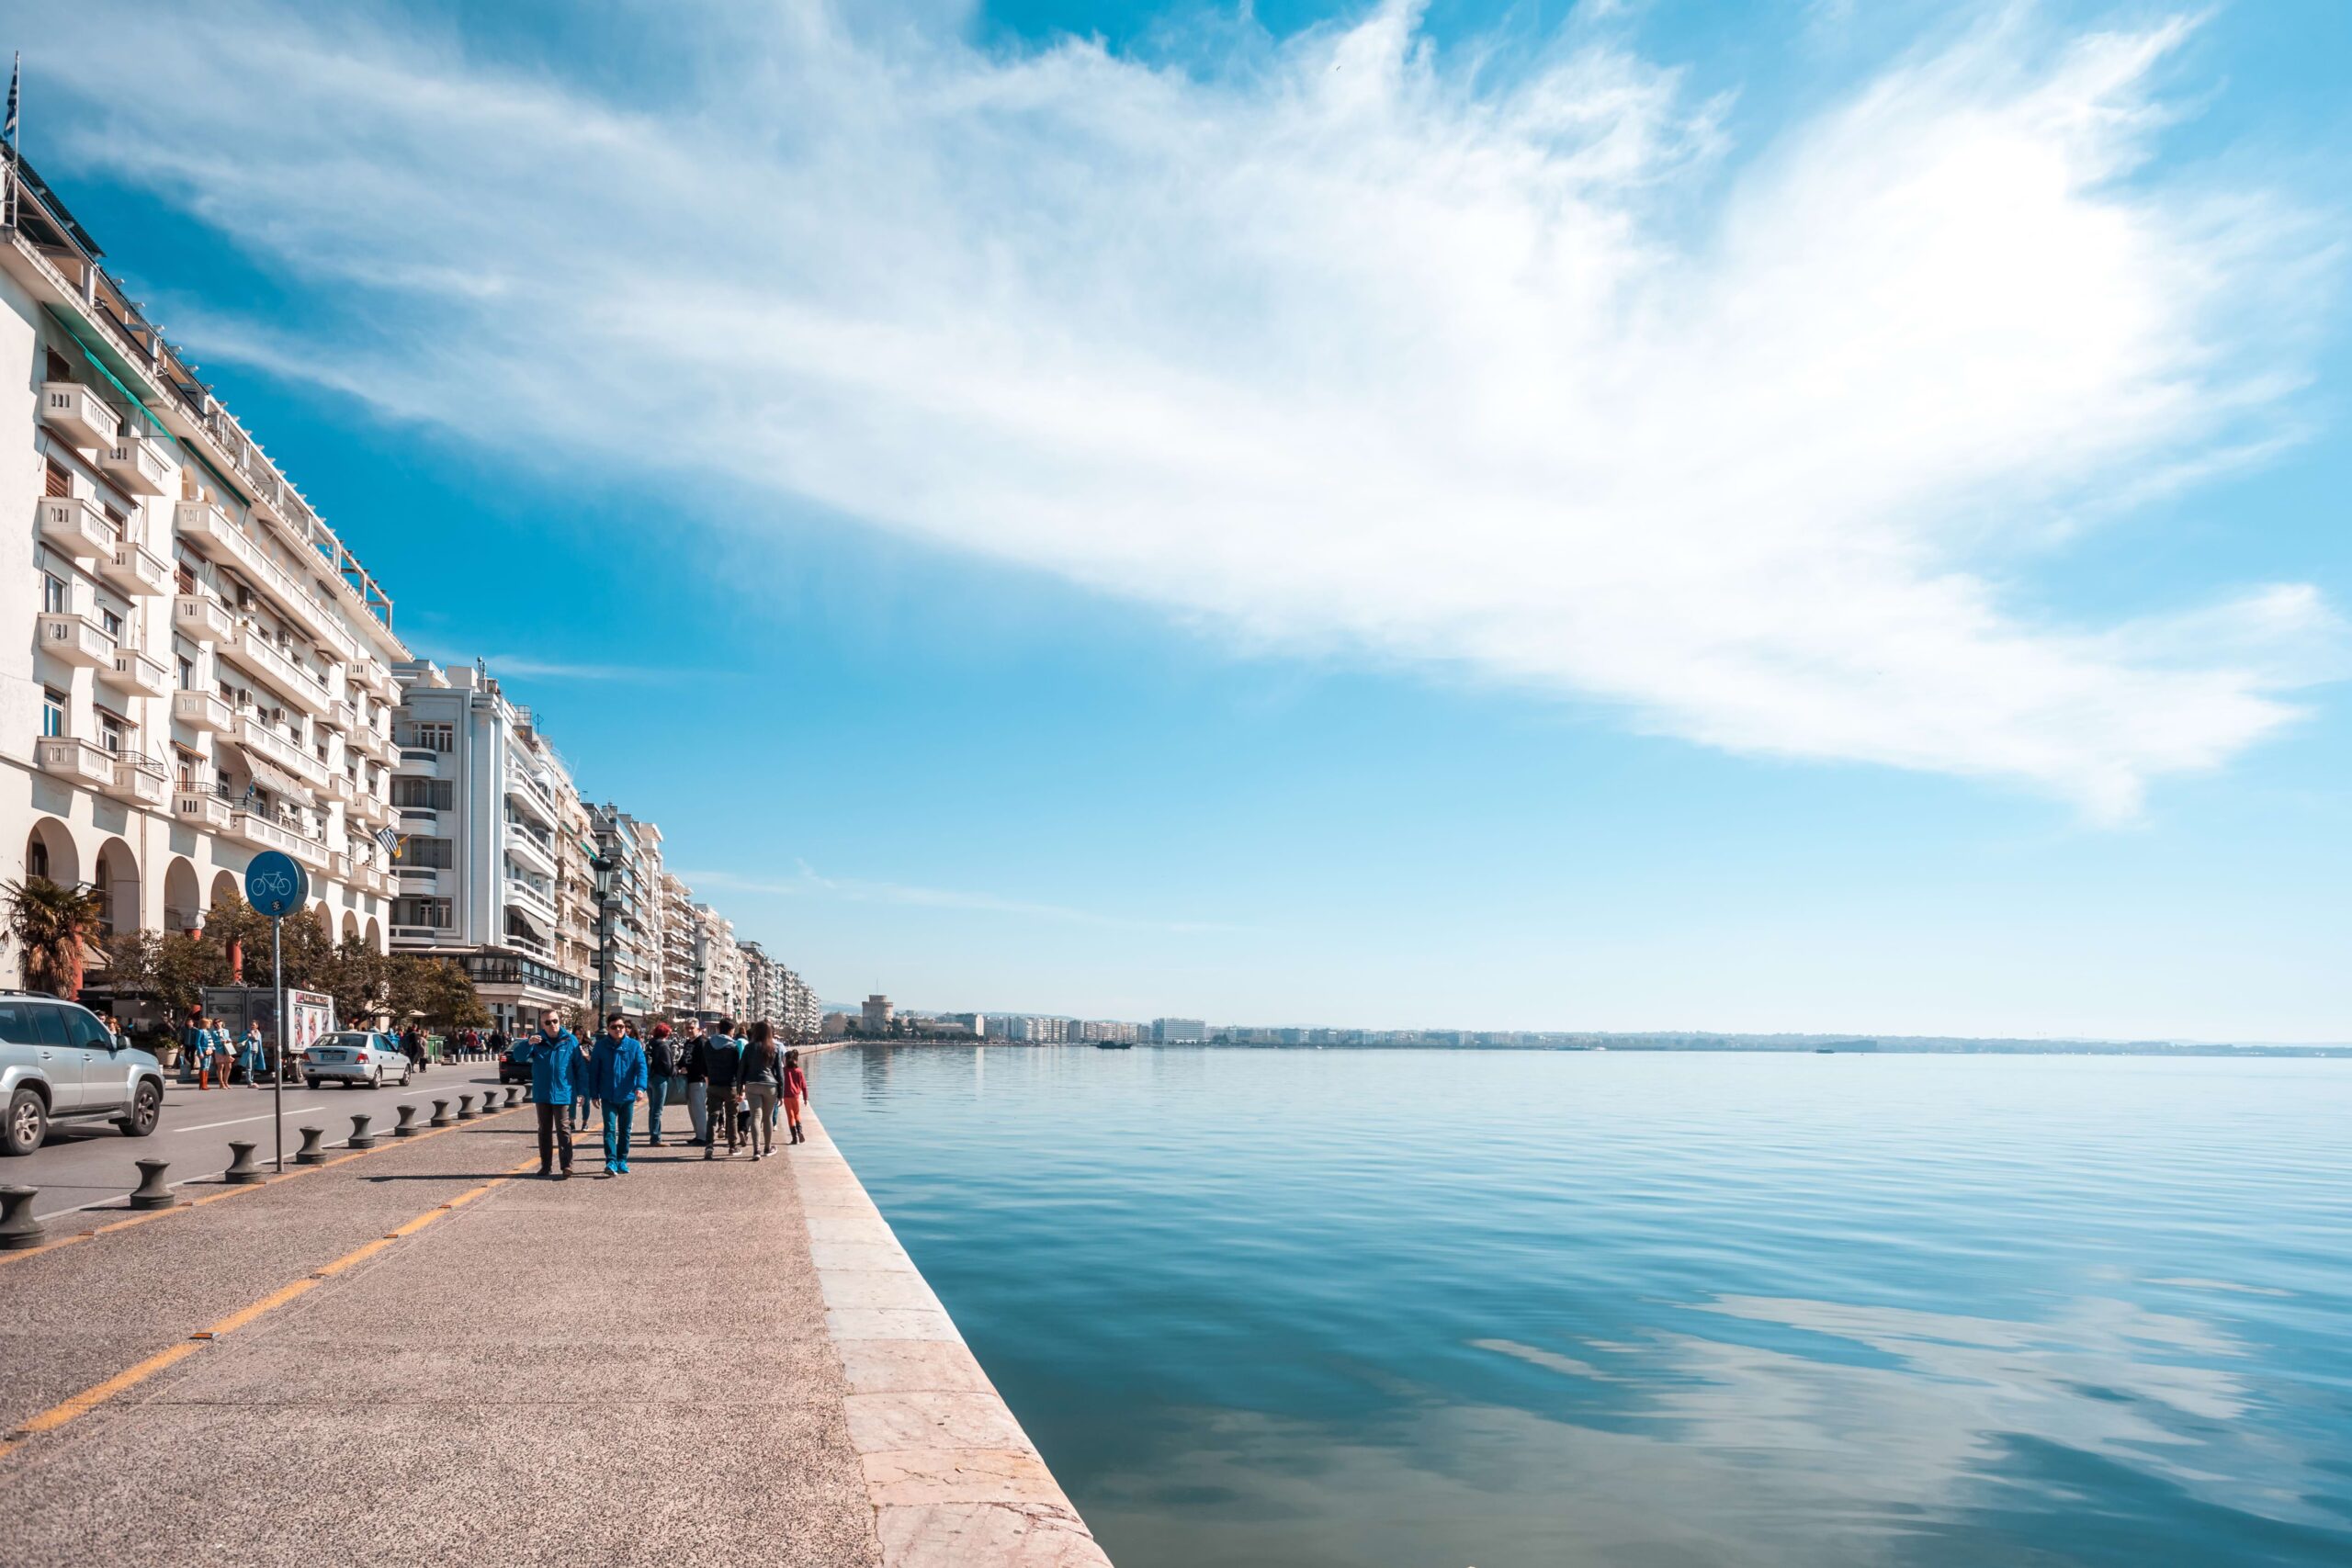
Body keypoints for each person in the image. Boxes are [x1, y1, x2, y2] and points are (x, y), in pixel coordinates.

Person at [589, 1014, 647, 1177]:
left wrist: (640, 1087)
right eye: (614, 1027)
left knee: (625, 1130)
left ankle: (622, 1160)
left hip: (627, 1095)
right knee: (609, 1129)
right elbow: (594, 1071)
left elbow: (641, 1068)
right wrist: (594, 1094)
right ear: (608, 1029)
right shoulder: (600, 1046)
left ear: (625, 1028)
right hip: (608, 1096)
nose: (618, 1029)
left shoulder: (634, 1046)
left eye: (621, 1026)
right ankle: (611, 1161)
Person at [526, 1010, 582, 1179]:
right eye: (548, 1022)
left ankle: (567, 1166)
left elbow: (579, 1067)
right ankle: (546, 1166)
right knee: (544, 1130)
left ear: (559, 1021)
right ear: (542, 1024)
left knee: (563, 1129)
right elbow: (520, 1056)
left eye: (555, 1021)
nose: (553, 1025)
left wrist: (581, 1092)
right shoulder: (536, 1040)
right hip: (542, 1093)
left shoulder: (570, 1040)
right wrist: (528, 1044)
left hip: (563, 1092)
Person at [695, 1019, 744, 1161]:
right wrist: (741, 1089)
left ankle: (709, 1146)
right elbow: (738, 1069)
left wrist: (707, 1078)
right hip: (730, 1085)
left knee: (712, 1116)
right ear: (731, 1030)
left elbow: (702, 1065)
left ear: (718, 1029)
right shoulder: (733, 1046)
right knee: (732, 1115)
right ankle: (732, 1146)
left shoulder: (708, 1045)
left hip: (713, 1085)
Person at [740, 1021, 784, 1161]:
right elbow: (780, 1073)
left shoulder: (749, 1047)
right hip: (770, 1085)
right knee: (768, 1117)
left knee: (755, 1116)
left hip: (752, 1084)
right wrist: (781, 1093)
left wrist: (740, 1088)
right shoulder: (774, 1048)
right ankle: (767, 1148)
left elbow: (741, 1068)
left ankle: (756, 1150)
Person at [642, 1022, 677, 1145]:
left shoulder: (650, 1044)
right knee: (658, 1110)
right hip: (660, 1079)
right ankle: (656, 1138)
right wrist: (676, 1071)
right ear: (666, 1033)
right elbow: (668, 1067)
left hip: (649, 1078)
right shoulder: (663, 1046)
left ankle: (654, 1134)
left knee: (652, 1109)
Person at [679, 1019, 709, 1145]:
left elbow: (703, 1063)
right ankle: (698, 1135)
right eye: (687, 1028)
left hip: (699, 1080)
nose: (689, 1030)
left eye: (692, 1028)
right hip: (688, 1080)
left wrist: (688, 1069)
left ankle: (703, 1137)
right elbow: (683, 1059)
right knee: (692, 1110)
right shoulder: (688, 1042)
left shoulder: (702, 1042)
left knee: (699, 1110)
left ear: (698, 1028)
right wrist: (676, 1067)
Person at [784, 1047, 808, 1145]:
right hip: (796, 1096)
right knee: (797, 1114)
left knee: (790, 1117)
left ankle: (794, 1138)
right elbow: (804, 1086)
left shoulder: (784, 1070)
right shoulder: (799, 1071)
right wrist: (805, 1098)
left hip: (786, 1096)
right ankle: (800, 1131)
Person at [239, 1022, 268, 1087]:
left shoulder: (258, 1033)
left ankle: (251, 1081)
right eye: (251, 1025)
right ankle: (249, 1082)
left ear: (257, 1026)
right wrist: (246, 1036)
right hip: (248, 1051)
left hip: (255, 1051)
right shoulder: (247, 1032)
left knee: (252, 1067)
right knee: (249, 1067)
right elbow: (240, 1039)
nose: (252, 1026)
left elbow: (257, 1040)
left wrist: (252, 1035)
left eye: (254, 1025)